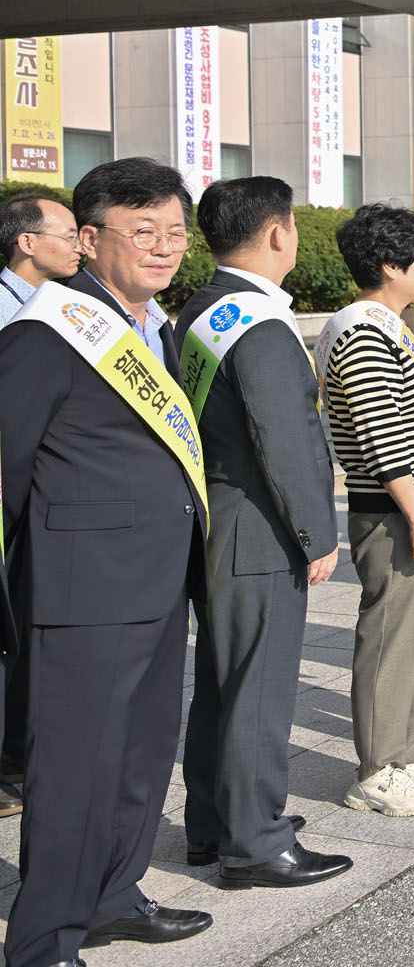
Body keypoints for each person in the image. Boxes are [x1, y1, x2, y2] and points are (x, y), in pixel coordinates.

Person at [0, 157, 215, 961]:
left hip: (156, 580)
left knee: (141, 754)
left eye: (175, 232)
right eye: (143, 231)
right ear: (88, 240)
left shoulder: (153, 327)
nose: (164, 247)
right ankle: (44, 939)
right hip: (83, 592)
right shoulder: (46, 332)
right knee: (75, 768)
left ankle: (112, 896)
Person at [176, 177, 352, 888]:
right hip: (259, 523)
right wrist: (317, 534)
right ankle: (255, 843)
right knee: (259, 686)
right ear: (280, 232)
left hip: (218, 513)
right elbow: (287, 440)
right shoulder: (261, 323)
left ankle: (214, 822)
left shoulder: (201, 307)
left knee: (223, 683)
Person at [318, 203, 414, 820]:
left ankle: (407, 753)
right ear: (389, 265)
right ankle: (376, 768)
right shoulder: (362, 331)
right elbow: (381, 435)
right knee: (392, 637)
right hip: (399, 510)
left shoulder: (390, 325)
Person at [0, 189, 80, 821]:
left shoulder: (65, 309)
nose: (79, 245)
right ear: (27, 242)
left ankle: (19, 754)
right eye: (68, 235)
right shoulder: (10, 313)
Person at [0, 189, 79, 329]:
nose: (80, 248)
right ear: (28, 243)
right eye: (70, 237)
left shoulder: (67, 302)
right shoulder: (4, 310)